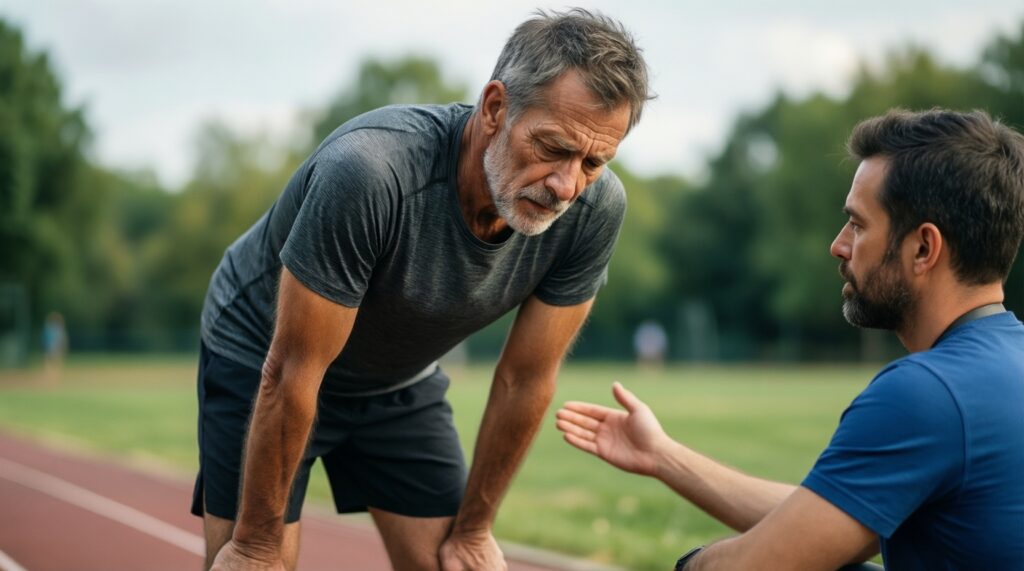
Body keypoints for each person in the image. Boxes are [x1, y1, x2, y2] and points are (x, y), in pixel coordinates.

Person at [193, 8, 652, 571]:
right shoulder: (369, 173)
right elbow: (291, 371)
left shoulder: (594, 209)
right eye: (552, 148)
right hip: (265, 355)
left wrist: (475, 529)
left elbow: (526, 378)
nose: (566, 185)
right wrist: (258, 545)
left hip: (396, 380)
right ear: (494, 108)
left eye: (593, 162)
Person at [557, 109, 1024, 570]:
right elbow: (826, 515)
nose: (838, 245)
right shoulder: (1003, 362)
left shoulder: (927, 394)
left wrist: (693, 564)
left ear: (923, 248)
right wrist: (663, 457)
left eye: (858, 225)